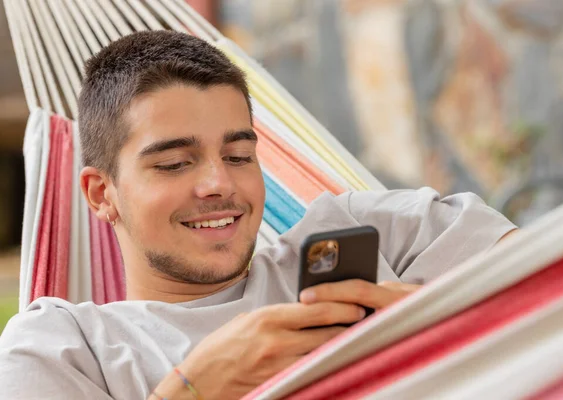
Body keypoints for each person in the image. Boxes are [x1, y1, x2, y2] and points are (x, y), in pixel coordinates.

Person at [0, 31, 516, 400]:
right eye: (175, 163)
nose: (219, 184)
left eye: (239, 156)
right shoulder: (65, 349)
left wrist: (435, 322)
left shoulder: (377, 234)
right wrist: (194, 390)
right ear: (100, 193)